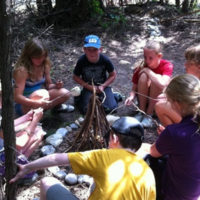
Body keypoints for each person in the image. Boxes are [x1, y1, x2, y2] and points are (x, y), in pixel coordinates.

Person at [10, 116, 156, 200]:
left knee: (47, 182)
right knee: (96, 183)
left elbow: (56, 158)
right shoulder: (148, 173)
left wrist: (27, 167)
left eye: (109, 138)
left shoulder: (105, 156)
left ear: (115, 139)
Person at [149, 74, 200, 200]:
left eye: (169, 101)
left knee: (147, 159)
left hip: (178, 194)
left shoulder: (174, 132)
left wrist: (166, 138)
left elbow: (153, 152)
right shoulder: (180, 131)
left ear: (177, 104)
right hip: (195, 190)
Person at [13, 38, 74, 117]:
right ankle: (31, 118)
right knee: (41, 93)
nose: (41, 59)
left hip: (39, 99)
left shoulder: (44, 64)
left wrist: (56, 86)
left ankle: (56, 108)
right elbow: (17, 97)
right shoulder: (22, 70)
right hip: (23, 105)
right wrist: (35, 103)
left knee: (65, 93)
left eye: (43, 56)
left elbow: (48, 85)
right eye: (37, 57)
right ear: (29, 55)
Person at [125, 40, 173, 128]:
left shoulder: (167, 65)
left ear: (159, 56)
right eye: (145, 57)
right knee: (143, 76)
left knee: (156, 78)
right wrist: (131, 96)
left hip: (157, 102)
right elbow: (133, 89)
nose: (147, 61)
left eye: (150, 58)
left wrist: (147, 70)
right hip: (143, 100)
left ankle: (149, 115)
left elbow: (162, 84)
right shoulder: (140, 67)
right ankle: (142, 112)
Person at [155, 45, 200, 131]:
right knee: (162, 104)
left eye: (189, 62)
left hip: (196, 125)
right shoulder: (192, 80)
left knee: (160, 106)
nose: (185, 64)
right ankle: (175, 135)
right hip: (192, 119)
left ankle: (176, 136)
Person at [73, 35, 120, 115]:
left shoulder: (105, 60)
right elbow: (75, 76)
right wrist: (90, 87)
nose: (92, 53)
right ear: (84, 49)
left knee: (111, 108)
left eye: (95, 49)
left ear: (100, 49)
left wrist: (103, 86)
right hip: (89, 87)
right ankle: (78, 98)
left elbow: (113, 75)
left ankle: (114, 96)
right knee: (87, 110)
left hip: (103, 87)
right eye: (89, 50)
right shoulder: (81, 61)